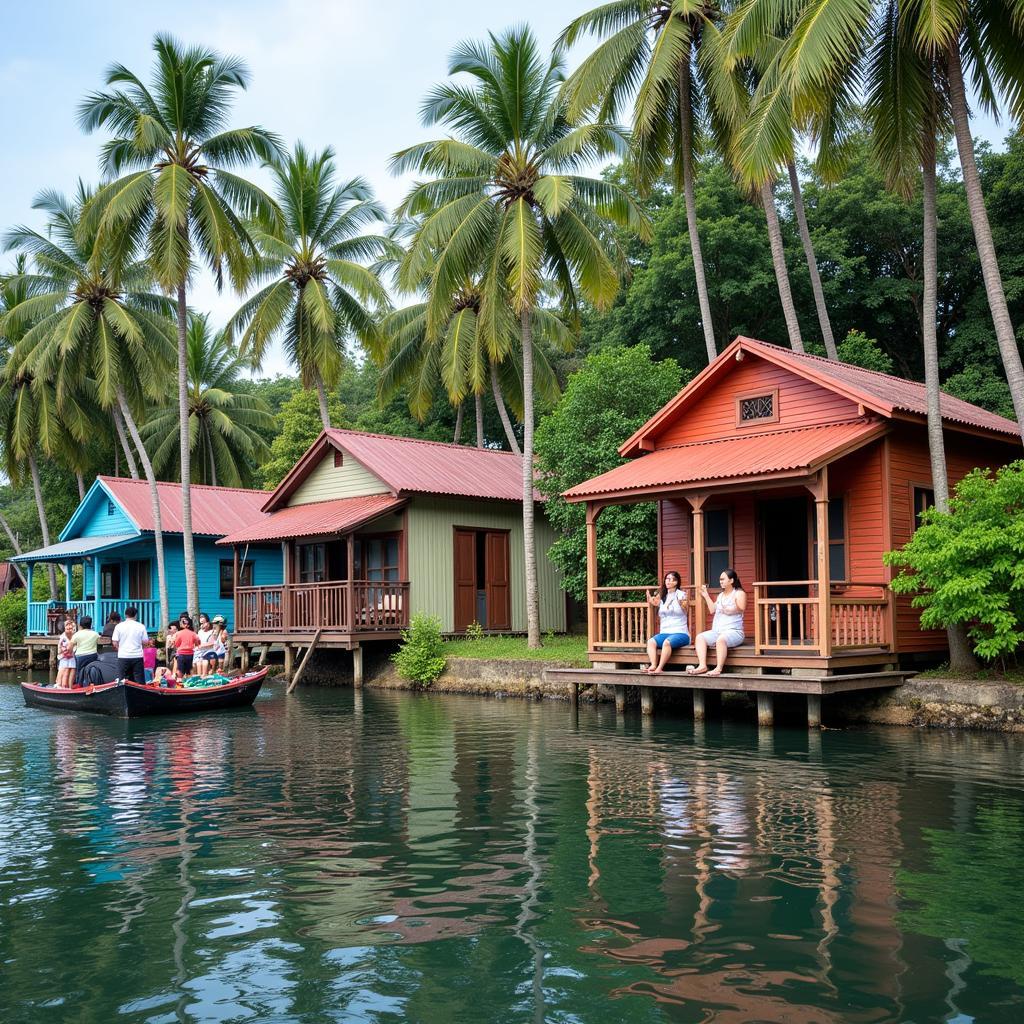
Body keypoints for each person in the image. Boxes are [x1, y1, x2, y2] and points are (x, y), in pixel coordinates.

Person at [688, 569, 747, 677]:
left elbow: (741, 608)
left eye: (723, 579)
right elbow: (712, 609)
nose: (720, 581)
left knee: (721, 640)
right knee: (700, 637)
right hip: (718, 631)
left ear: (731, 580)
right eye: (720, 579)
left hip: (734, 632)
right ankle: (702, 666)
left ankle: (718, 668)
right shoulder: (721, 595)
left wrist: (728, 609)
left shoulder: (739, 593)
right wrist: (706, 596)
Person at [641, 571, 690, 674]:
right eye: (667, 578)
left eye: (672, 579)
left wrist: (682, 603)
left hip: (680, 632)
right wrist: (650, 600)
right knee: (651, 642)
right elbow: (655, 602)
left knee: (667, 643)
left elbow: (686, 609)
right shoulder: (662, 596)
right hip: (665, 632)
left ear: (676, 582)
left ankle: (660, 667)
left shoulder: (681, 594)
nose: (668, 581)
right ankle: (653, 665)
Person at [111, 605, 149, 684]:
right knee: (139, 681)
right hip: (137, 656)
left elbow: (115, 642)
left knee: (122, 681)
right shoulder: (141, 626)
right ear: (136, 615)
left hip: (123, 656)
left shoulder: (119, 626)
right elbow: (145, 642)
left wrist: (120, 649)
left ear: (125, 615)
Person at [70, 615, 100, 682]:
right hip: (93, 655)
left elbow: (70, 645)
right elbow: (98, 641)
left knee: (79, 672)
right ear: (90, 625)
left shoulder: (77, 634)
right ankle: (91, 683)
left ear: (80, 625)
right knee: (91, 670)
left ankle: (79, 684)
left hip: (80, 656)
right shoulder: (95, 634)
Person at [56, 619, 77, 688]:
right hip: (64, 656)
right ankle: (61, 685)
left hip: (71, 655)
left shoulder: (74, 635)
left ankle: (69, 686)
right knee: (65, 669)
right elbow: (63, 648)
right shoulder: (63, 637)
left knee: (72, 669)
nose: (69, 629)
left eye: (71, 628)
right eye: (67, 627)